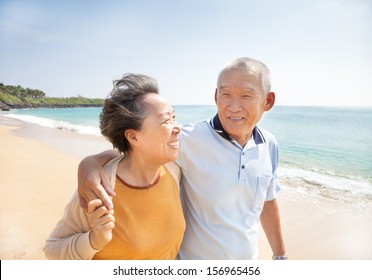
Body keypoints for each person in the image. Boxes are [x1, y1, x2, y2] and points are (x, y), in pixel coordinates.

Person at [78, 57, 287, 260]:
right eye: (226, 94)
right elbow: (138, 149)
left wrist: (280, 256)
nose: (233, 106)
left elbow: (268, 201)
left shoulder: (268, 144)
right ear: (216, 96)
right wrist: (90, 163)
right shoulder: (189, 137)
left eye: (246, 96)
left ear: (267, 101)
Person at [44, 73, 185, 260]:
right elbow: (52, 250)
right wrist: (95, 240)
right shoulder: (100, 187)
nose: (178, 127)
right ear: (133, 136)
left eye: (174, 117)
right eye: (166, 121)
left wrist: (91, 160)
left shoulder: (174, 171)